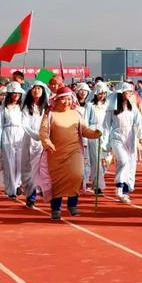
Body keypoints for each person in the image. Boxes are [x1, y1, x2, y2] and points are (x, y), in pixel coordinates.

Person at [39, 86, 101, 219]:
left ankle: (72, 205)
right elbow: (43, 132)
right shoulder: (50, 114)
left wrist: (94, 133)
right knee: (58, 181)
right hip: (55, 153)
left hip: (74, 151)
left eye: (68, 99)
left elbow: (84, 130)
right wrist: (47, 143)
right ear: (57, 100)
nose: (66, 102)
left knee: (77, 175)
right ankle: (56, 208)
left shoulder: (76, 114)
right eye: (63, 99)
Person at [102, 82, 142, 203]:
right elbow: (106, 126)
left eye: (131, 92)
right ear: (121, 93)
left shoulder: (133, 107)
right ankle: (119, 187)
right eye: (127, 92)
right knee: (123, 161)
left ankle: (125, 191)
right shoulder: (112, 109)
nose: (130, 94)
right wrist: (105, 143)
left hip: (130, 138)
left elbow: (139, 123)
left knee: (130, 164)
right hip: (116, 138)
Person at [0, 82, 26, 199]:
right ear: (10, 94)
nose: (16, 95)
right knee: (9, 163)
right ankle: (10, 189)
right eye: (14, 93)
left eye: (18, 93)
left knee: (19, 162)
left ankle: (17, 184)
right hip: (7, 133)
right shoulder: (3, 108)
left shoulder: (22, 107)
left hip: (20, 134)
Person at [21, 81, 49, 208]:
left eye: (39, 88)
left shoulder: (46, 107)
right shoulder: (27, 107)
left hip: (43, 142)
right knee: (29, 169)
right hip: (29, 141)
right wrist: (36, 135)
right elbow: (25, 125)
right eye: (34, 88)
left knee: (42, 168)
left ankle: (43, 191)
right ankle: (30, 195)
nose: (36, 90)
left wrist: (44, 136)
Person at [85, 82, 110, 195]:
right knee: (96, 160)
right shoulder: (90, 105)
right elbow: (85, 121)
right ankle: (97, 186)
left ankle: (98, 180)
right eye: (100, 93)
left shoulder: (108, 105)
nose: (102, 95)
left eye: (104, 93)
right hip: (93, 133)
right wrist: (87, 136)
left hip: (105, 132)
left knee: (105, 160)